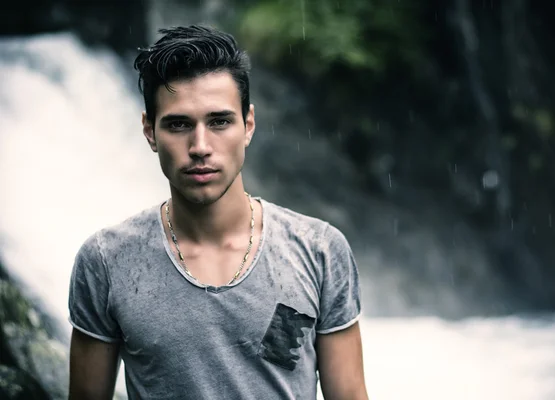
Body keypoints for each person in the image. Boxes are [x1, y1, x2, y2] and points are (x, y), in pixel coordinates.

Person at [67, 24, 368, 400]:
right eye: (178, 124)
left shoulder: (319, 250)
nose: (200, 146)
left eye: (219, 121)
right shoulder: (106, 261)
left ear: (248, 125)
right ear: (149, 132)